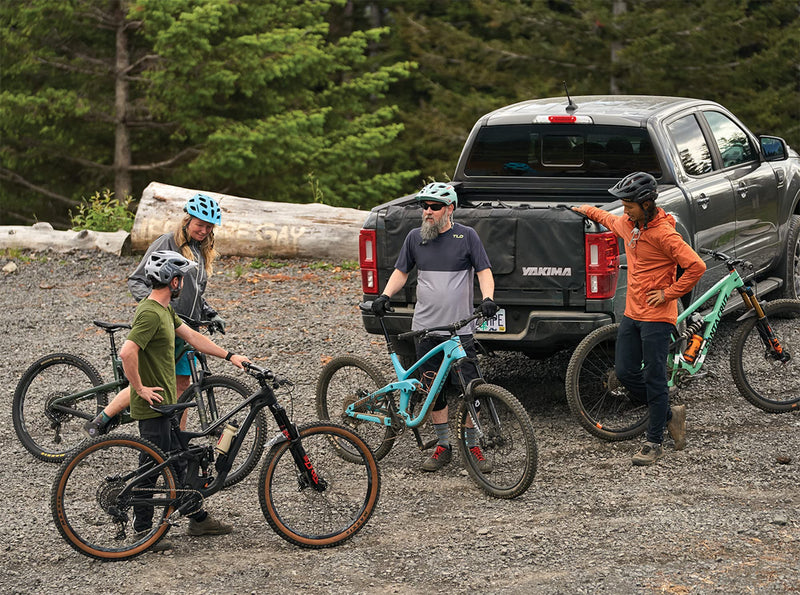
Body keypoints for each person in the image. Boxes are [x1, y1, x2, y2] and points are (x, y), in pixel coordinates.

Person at [572, 171, 706, 466]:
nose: (624, 210)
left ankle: (654, 441)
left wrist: (670, 293)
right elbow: (607, 219)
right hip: (633, 313)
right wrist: (582, 209)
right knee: (625, 372)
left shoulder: (665, 235)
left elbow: (696, 266)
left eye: (629, 204)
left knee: (656, 379)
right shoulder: (628, 224)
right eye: (623, 204)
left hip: (658, 317)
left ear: (646, 204)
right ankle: (669, 414)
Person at [123, 250, 249, 543]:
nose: (183, 283)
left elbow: (193, 337)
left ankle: (198, 519)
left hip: (167, 403)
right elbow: (127, 352)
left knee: (177, 461)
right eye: (181, 278)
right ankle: (142, 531)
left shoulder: (164, 310)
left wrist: (231, 356)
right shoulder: (150, 312)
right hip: (153, 405)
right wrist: (139, 389)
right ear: (172, 279)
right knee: (152, 467)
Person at [371, 182, 498, 472]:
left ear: (450, 209)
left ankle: (473, 446)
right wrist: (384, 296)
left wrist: (489, 298)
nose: (428, 211)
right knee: (433, 391)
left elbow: (484, 271)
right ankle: (443, 445)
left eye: (435, 207)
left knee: (471, 389)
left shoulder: (467, 237)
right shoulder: (416, 238)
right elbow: (401, 272)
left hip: (459, 333)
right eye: (424, 206)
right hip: (426, 331)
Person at [84, 193, 225, 437]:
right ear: (187, 221)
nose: (203, 230)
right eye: (199, 225)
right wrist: (156, 307)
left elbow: (195, 293)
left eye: (208, 227)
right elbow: (137, 280)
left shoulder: (202, 251)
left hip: (185, 328)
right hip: (163, 326)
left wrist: (210, 313)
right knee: (156, 380)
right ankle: (102, 418)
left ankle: (176, 439)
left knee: (182, 384)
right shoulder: (167, 243)